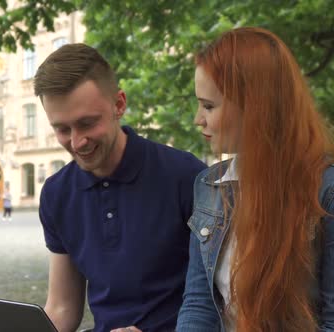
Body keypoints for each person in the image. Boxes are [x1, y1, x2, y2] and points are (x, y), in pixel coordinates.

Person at [176, 27, 334, 331]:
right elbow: (199, 304)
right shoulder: (209, 186)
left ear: (255, 106)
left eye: (208, 106)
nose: (197, 119)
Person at [34, 43, 206, 332]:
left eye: (87, 124)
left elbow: (219, 302)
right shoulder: (56, 194)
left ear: (119, 104)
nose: (76, 142)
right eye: (62, 129)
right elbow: (63, 307)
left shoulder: (186, 176)